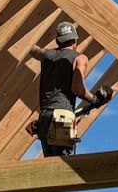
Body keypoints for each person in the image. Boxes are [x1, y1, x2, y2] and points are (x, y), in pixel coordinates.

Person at [31, 20, 112, 156]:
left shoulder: (46, 56)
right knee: (63, 167)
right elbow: (77, 89)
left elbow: (32, 49)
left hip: (44, 118)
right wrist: (94, 99)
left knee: (51, 167)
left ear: (58, 41)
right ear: (75, 41)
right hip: (61, 118)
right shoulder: (80, 59)